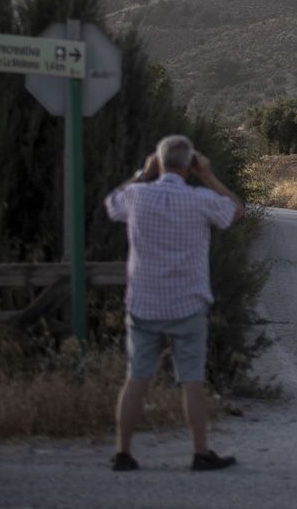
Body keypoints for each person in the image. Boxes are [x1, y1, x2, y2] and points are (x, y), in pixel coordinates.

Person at [104, 134, 244, 473]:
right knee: (191, 380)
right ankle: (200, 452)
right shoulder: (200, 199)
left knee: (136, 378)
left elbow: (111, 203)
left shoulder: (137, 196)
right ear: (190, 165)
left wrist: (142, 172)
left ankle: (122, 452)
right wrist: (208, 177)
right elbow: (236, 211)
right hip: (187, 303)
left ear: (159, 160)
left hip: (144, 302)